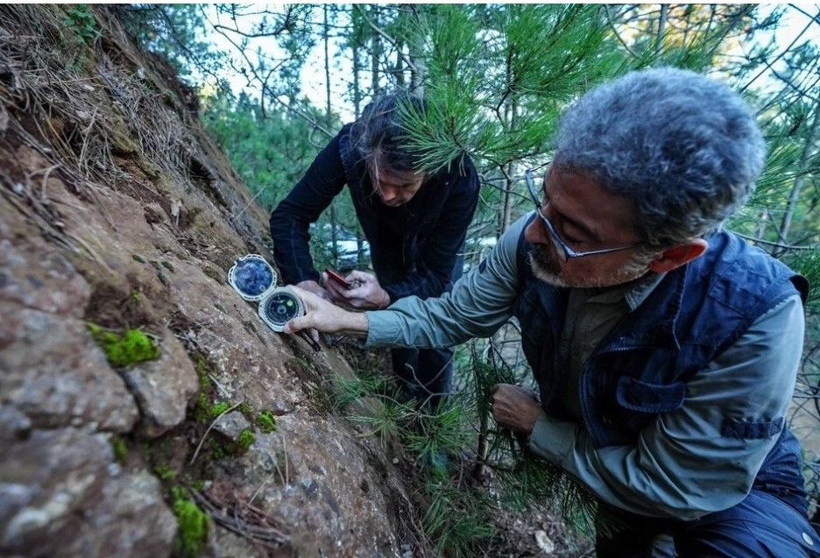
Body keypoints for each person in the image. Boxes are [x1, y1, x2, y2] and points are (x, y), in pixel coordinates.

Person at [283, 68, 820, 556]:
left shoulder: (757, 317)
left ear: (670, 255)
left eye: (575, 233)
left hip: (735, 503)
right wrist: (346, 320)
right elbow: (450, 315)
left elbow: (680, 487)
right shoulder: (537, 236)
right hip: (615, 490)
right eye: (546, 202)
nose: (534, 233)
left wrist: (543, 427)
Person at [270, 92, 480, 408]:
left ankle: (430, 421)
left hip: (438, 254)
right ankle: (402, 395)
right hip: (387, 243)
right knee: (397, 321)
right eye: (380, 179)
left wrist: (384, 296)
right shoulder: (351, 146)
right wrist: (305, 281)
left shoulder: (459, 175)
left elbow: (436, 275)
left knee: (438, 334)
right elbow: (291, 215)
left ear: (431, 170)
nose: (387, 195)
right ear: (367, 153)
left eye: (406, 185)